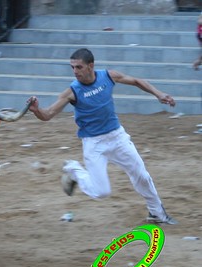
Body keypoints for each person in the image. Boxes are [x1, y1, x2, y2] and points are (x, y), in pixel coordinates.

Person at [26, 48, 178, 225]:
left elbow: (137, 81)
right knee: (101, 192)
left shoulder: (108, 76)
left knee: (142, 176)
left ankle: (157, 213)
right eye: (72, 67)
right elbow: (48, 114)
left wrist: (158, 94)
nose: (75, 71)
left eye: (79, 67)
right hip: (94, 144)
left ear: (91, 66)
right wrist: (37, 110)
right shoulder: (72, 92)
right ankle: (74, 170)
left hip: (117, 137)